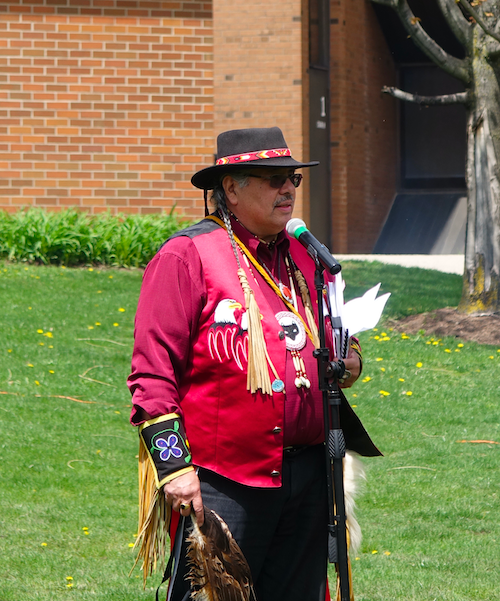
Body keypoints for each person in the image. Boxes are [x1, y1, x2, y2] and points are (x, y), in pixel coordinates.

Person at [128, 127, 380, 601]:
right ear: (231, 188)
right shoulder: (188, 256)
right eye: (272, 179)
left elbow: (336, 338)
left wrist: (350, 361)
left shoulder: (306, 256)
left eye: (292, 179)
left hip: (307, 476)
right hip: (224, 481)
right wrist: (175, 468)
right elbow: (151, 373)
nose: (287, 189)